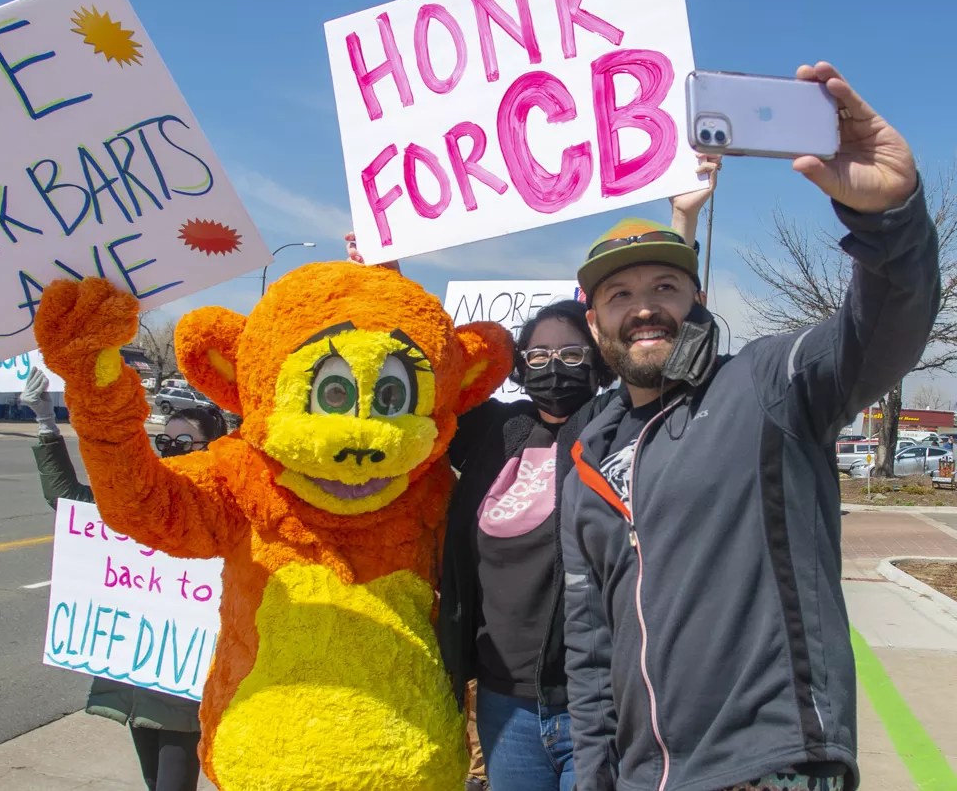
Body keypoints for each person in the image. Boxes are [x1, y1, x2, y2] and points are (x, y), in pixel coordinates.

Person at [561, 61, 939, 791]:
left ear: (696, 296)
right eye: (621, 294)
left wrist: (890, 222)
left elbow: (883, 327)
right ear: (594, 321)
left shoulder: (765, 384)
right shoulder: (587, 453)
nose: (645, 306)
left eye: (665, 287)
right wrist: (592, 776)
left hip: (768, 771)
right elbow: (590, 645)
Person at [346, 153, 722, 791]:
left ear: (600, 357)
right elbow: (422, 378)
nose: (555, 364)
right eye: (539, 354)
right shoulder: (495, 432)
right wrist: (387, 277)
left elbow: (668, 348)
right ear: (519, 366)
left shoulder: (616, 428)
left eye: (572, 352)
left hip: (601, 706)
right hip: (504, 704)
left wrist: (681, 219)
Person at [20, 367, 224, 791]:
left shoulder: (218, 511)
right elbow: (69, 500)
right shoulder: (137, 503)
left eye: (184, 442)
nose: (170, 450)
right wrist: (45, 423)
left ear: (211, 447)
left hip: (183, 684)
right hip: (134, 678)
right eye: (165, 441)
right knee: (155, 781)